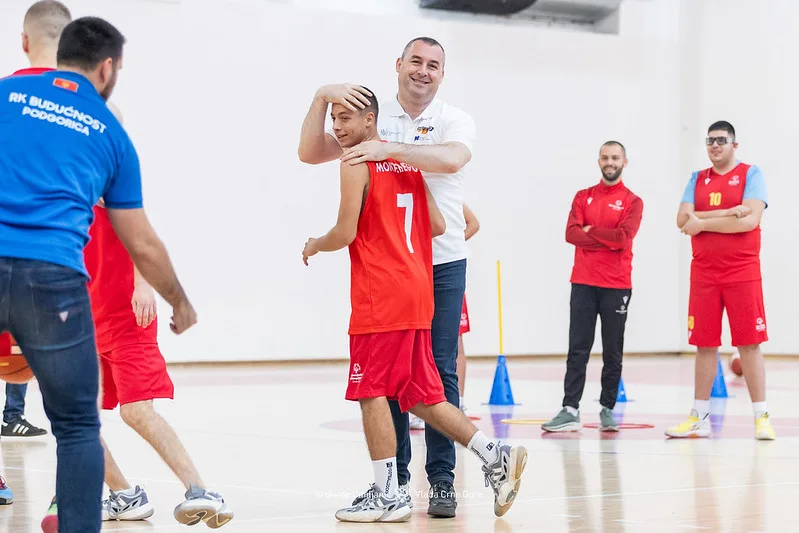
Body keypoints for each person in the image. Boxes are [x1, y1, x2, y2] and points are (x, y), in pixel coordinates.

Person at [0, 16, 197, 533]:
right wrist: (180, 300)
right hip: (52, 281)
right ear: (108, 69)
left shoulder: (7, 94)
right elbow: (142, 239)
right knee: (77, 425)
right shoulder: (109, 131)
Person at [301, 92, 526, 523]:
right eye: (335, 118)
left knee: (370, 392)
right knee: (420, 396)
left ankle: (388, 493)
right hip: (417, 292)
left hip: (380, 297)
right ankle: (495, 453)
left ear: (371, 121)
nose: (339, 128)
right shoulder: (409, 164)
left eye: (347, 118)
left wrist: (315, 243)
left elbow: (346, 231)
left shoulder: (354, 163)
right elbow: (439, 224)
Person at [298, 36, 475, 517]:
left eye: (433, 64)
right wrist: (321, 96)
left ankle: (438, 481)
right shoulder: (368, 116)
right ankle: (399, 478)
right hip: (410, 265)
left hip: (435, 264)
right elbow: (310, 151)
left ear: (443, 73)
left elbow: (453, 160)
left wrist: (384, 150)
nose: (423, 70)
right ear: (398, 65)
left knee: (430, 376)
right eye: (415, 61)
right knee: (411, 384)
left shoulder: (452, 119)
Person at [666, 121, 774, 440]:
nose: (715, 146)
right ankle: (698, 415)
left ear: (734, 145)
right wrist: (728, 212)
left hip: (742, 272)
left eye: (721, 140)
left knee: (750, 343)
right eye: (710, 140)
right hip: (704, 273)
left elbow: (749, 221)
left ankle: (761, 416)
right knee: (704, 344)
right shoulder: (696, 179)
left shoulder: (752, 175)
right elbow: (683, 221)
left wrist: (704, 220)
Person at [0, 0, 67, 443]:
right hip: (56, 261)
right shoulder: (88, 109)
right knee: (68, 388)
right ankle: (73, 496)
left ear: (24, 41)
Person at [542, 141, 643, 433]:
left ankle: (607, 409)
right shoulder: (583, 196)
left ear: (625, 161)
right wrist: (603, 237)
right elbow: (571, 234)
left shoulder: (632, 201)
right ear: (598, 160)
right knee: (578, 349)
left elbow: (624, 238)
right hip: (583, 282)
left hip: (617, 284)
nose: (609, 162)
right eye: (605, 157)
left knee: (613, 351)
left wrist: (592, 231)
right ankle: (570, 409)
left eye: (615, 157)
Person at [457, 204, 479, 412]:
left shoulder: (449, 191)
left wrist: (452, 244)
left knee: (456, 342)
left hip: (448, 276)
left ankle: (459, 402)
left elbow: (474, 224)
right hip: (420, 275)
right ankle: (422, 405)